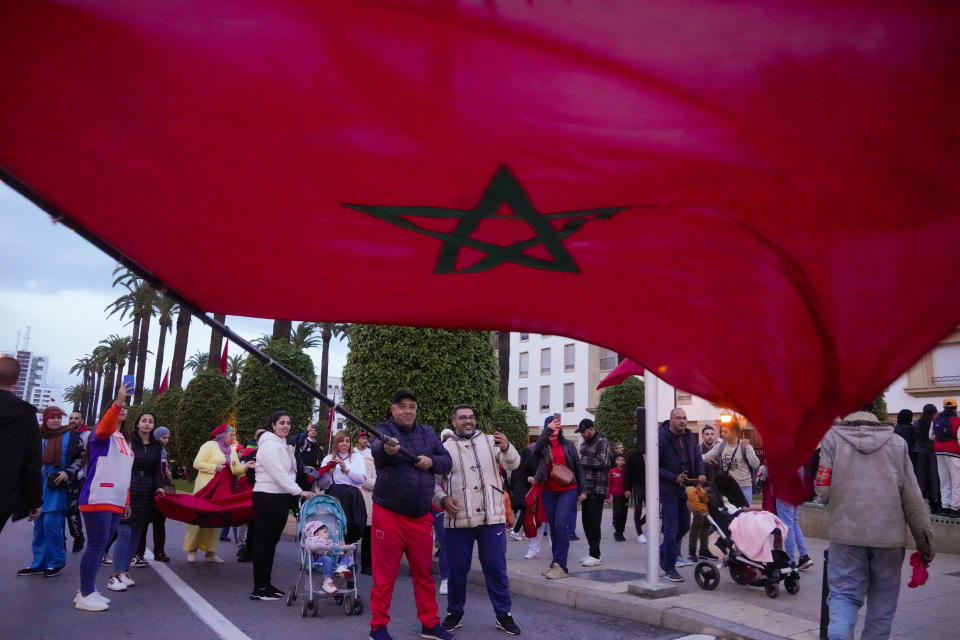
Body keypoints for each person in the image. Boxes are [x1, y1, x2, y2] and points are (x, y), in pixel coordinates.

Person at [815, 405, 934, 640]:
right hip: (888, 538)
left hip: (846, 534)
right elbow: (913, 496)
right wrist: (925, 542)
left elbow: (823, 487)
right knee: (882, 604)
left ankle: (838, 635)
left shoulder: (832, 439)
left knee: (843, 595)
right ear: (875, 414)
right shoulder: (897, 443)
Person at [368, 389, 453, 640]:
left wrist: (431, 462)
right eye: (402, 406)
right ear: (393, 410)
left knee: (424, 573)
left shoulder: (428, 433)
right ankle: (378, 627)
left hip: (420, 515)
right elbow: (376, 449)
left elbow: (446, 460)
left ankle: (430, 624)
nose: (407, 410)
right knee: (385, 575)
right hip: (389, 513)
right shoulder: (384, 430)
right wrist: (387, 449)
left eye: (412, 406)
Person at [435, 404, 521, 635]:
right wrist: (442, 499)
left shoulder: (491, 441)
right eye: (462, 418)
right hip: (457, 519)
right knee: (456, 570)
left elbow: (513, 464)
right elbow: (432, 481)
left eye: (471, 417)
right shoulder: (443, 448)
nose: (468, 421)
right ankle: (455, 613)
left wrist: (508, 448)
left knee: (496, 569)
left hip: (491, 517)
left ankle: (504, 615)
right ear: (454, 422)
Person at [74, 382, 135, 612]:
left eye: (125, 407)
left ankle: (86, 589)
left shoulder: (124, 440)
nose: (123, 409)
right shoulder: (102, 432)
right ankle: (86, 593)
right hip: (98, 495)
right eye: (119, 407)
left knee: (101, 548)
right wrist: (118, 401)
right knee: (96, 546)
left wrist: (126, 501)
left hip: (116, 499)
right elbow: (105, 427)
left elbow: (124, 471)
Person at [250, 411, 315, 601]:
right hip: (268, 497)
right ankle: (259, 588)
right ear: (273, 425)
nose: (285, 426)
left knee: (270, 544)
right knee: (264, 543)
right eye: (281, 423)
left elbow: (290, 470)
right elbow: (278, 473)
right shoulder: (270, 445)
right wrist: (298, 491)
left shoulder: (281, 444)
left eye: (288, 423)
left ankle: (265, 584)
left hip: (278, 497)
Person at [17, 405, 83, 578]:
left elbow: (81, 457)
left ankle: (56, 561)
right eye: (52, 417)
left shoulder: (71, 435)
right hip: (38, 486)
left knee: (51, 524)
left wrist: (68, 472)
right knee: (39, 527)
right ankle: (38, 563)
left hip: (59, 486)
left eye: (58, 417)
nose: (55, 420)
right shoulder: (37, 436)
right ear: (45, 419)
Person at [106, 410, 164, 591]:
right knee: (124, 532)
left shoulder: (156, 446)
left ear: (154, 425)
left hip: (147, 490)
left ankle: (124, 571)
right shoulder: (128, 440)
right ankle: (114, 576)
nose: (147, 423)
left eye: (151, 421)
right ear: (138, 423)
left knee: (138, 532)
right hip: (128, 486)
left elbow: (156, 470)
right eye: (144, 420)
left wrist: (159, 486)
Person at [531, 414, 585, 580]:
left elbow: (577, 467)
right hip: (549, 490)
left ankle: (561, 565)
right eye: (550, 425)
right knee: (553, 527)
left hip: (568, 489)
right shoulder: (542, 447)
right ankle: (555, 563)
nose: (554, 428)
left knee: (561, 525)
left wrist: (583, 489)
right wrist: (546, 432)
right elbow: (535, 451)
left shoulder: (568, 444)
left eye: (556, 425)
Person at [183, 424, 248, 562]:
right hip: (205, 488)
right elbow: (197, 463)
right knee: (199, 517)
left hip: (222, 490)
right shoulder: (209, 445)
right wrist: (215, 467)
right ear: (223, 435)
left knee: (217, 519)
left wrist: (246, 466)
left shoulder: (231, 449)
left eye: (233, 435)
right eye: (231, 435)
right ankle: (192, 549)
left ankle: (210, 553)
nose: (233, 438)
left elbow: (235, 469)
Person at [657, 408, 706, 582]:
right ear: (670, 420)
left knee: (685, 525)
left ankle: (662, 553)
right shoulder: (661, 437)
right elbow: (655, 466)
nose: (683, 421)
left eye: (685, 418)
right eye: (679, 418)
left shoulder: (689, 436)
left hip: (685, 488)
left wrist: (701, 474)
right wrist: (674, 477)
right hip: (668, 488)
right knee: (672, 528)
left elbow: (697, 457)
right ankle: (669, 566)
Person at [0, 356, 42, 537]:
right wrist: (34, 502)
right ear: (17, 381)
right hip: (3, 494)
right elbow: (32, 462)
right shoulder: (25, 414)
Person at [135, 426, 173, 563]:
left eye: (168, 438)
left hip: (162, 490)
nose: (166, 440)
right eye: (164, 437)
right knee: (143, 522)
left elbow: (164, 469)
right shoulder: (151, 449)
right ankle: (139, 552)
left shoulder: (163, 452)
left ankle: (160, 551)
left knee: (160, 522)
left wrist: (168, 472)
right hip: (148, 489)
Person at [576, 418, 610, 566]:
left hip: (598, 488)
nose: (582, 435)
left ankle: (595, 555)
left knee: (594, 522)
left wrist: (582, 459)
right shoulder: (583, 444)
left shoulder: (602, 442)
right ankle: (594, 552)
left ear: (591, 429)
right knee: (585, 522)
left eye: (584, 431)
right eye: (581, 432)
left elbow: (602, 461)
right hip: (586, 489)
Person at [702, 423, 760, 506]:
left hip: (743, 487)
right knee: (731, 515)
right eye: (722, 431)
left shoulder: (744, 446)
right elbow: (704, 456)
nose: (722, 434)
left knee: (744, 515)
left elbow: (755, 464)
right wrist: (705, 458)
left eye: (725, 432)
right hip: (728, 488)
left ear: (735, 432)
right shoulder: (721, 446)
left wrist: (748, 448)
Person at [687, 425, 718, 562]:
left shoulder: (718, 451)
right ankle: (692, 551)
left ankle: (704, 550)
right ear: (702, 435)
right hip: (698, 490)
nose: (710, 436)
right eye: (707, 434)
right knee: (698, 520)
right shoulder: (697, 451)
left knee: (707, 521)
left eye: (712, 434)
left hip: (713, 491)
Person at [930, 398, 960, 517]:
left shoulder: (936, 419)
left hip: (939, 452)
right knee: (957, 481)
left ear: (944, 407)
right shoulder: (958, 421)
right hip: (954, 453)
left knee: (944, 480)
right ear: (955, 408)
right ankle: (955, 508)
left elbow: (931, 436)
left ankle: (945, 506)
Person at [433, 428, 454, 595]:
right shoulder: (439, 456)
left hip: (459, 503)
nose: (448, 440)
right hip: (439, 505)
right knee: (446, 541)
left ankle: (455, 575)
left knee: (456, 543)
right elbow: (435, 482)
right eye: (445, 438)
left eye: (450, 437)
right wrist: (442, 497)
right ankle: (446, 578)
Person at [911, 404, 941, 514]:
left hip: (920, 452)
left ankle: (922, 501)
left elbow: (914, 437)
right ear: (934, 411)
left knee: (921, 478)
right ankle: (936, 501)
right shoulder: (936, 422)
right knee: (935, 476)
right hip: (933, 452)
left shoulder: (917, 423)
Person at [65, 411, 87, 553]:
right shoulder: (64, 434)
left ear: (82, 420)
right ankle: (61, 540)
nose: (73, 420)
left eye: (76, 418)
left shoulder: (88, 435)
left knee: (72, 510)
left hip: (80, 477)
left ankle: (78, 537)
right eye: (71, 418)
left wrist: (81, 473)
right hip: (63, 477)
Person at [291, 423, 325, 490]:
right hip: (303, 471)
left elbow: (319, 460)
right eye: (311, 430)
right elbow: (300, 442)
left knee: (310, 493)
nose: (313, 431)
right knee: (299, 492)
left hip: (312, 473)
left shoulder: (318, 445)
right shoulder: (304, 441)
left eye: (314, 430)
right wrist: (306, 431)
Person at [623, 443, 646, 543]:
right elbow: (627, 473)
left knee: (654, 510)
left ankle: (639, 523)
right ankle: (639, 533)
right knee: (638, 509)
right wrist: (627, 489)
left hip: (651, 487)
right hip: (638, 486)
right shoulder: (633, 456)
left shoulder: (656, 455)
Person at [607, 454, 628, 541]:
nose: (620, 461)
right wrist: (608, 496)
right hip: (616, 496)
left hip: (625, 496)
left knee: (624, 515)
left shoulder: (626, 471)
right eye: (619, 460)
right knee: (618, 514)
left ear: (625, 462)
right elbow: (609, 484)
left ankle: (621, 532)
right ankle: (617, 532)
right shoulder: (612, 471)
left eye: (622, 460)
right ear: (616, 461)